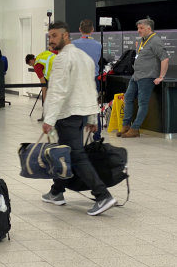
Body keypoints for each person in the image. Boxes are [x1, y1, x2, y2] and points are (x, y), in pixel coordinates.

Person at [41, 21, 117, 216]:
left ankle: (102, 195)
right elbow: (90, 89)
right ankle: (56, 191)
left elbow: (57, 91)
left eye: (55, 36)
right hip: (82, 113)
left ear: (66, 36)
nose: (51, 40)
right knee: (66, 153)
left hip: (67, 115)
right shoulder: (84, 58)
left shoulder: (62, 59)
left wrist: (48, 118)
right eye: (50, 36)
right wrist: (92, 118)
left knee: (75, 155)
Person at [119, 18, 170, 138]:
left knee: (142, 103)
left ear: (149, 28)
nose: (138, 30)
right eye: (138, 28)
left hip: (147, 77)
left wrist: (161, 76)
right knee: (128, 98)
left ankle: (135, 128)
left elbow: (165, 58)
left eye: (141, 28)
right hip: (136, 75)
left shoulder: (155, 41)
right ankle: (125, 125)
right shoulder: (143, 40)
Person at [72, 19, 103, 141]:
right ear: (92, 30)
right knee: (94, 108)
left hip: (78, 80)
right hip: (93, 79)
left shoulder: (73, 44)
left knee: (77, 108)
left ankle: (78, 136)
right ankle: (97, 136)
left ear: (80, 29)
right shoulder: (98, 45)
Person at [25, 49, 58, 121]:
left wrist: (44, 97)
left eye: (30, 65)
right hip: (61, 65)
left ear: (31, 61)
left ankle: (45, 116)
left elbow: (43, 83)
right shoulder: (41, 55)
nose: (32, 66)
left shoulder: (37, 66)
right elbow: (54, 52)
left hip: (56, 74)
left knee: (47, 96)